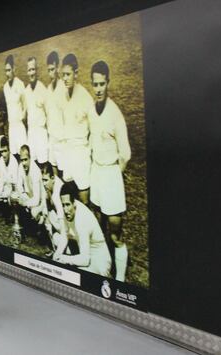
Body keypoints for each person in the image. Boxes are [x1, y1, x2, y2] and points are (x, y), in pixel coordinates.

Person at [88, 60, 131, 282]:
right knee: (99, 226)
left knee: (115, 234)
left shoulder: (115, 114)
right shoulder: (91, 109)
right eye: (95, 84)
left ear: (108, 83)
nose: (98, 89)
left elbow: (125, 153)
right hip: (96, 173)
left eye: (102, 84)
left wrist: (114, 175)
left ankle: (120, 279)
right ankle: (103, 268)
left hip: (111, 174)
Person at [53, 183, 112, 276]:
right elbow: (64, 236)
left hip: (99, 261)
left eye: (67, 205)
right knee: (56, 238)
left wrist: (64, 259)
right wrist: (57, 255)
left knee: (76, 275)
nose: (65, 209)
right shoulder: (67, 210)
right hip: (82, 249)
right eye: (63, 205)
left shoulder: (83, 219)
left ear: (75, 203)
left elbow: (85, 260)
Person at [60, 53, 94, 205]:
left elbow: (93, 129)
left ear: (76, 73)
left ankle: (88, 224)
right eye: (63, 75)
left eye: (68, 74)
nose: (65, 78)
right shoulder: (65, 95)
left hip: (81, 151)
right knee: (70, 187)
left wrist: (90, 152)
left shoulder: (85, 98)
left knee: (83, 192)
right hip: (68, 149)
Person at [11, 144, 42, 244]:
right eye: (22, 159)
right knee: (14, 196)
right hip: (28, 197)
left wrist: (25, 203)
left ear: (30, 158)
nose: (23, 163)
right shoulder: (21, 166)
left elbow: (37, 199)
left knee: (33, 211)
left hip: (40, 202)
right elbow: (19, 185)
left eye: (25, 159)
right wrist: (22, 195)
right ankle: (19, 226)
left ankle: (40, 231)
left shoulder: (36, 171)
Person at [45, 51, 66, 177]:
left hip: (62, 139)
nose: (50, 73)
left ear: (58, 68)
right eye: (48, 70)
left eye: (52, 69)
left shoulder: (64, 88)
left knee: (64, 171)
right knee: (53, 167)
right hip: (52, 137)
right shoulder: (48, 89)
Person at [24, 56, 48, 166]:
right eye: (29, 70)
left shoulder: (43, 89)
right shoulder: (26, 91)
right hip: (31, 133)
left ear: (37, 71)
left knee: (43, 163)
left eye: (33, 69)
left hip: (41, 133)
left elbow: (49, 114)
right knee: (33, 164)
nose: (31, 73)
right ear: (27, 72)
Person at [3, 54, 27, 158]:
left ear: (14, 69)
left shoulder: (20, 84)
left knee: (23, 154)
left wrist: (22, 117)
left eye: (9, 70)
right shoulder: (5, 87)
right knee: (14, 155)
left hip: (19, 126)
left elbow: (25, 104)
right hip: (11, 127)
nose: (7, 73)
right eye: (6, 71)